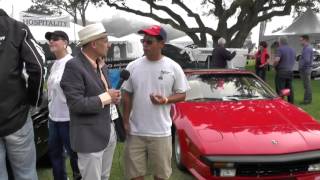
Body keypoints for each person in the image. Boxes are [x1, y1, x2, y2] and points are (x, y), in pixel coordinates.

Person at [122, 25, 190, 180]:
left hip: (161, 132)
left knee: (161, 176)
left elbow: (182, 94)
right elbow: (127, 96)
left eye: (149, 41)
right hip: (135, 132)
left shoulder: (173, 67)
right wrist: (126, 121)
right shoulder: (132, 66)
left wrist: (166, 100)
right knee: (135, 176)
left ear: (161, 44)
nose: (145, 44)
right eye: (143, 41)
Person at [60, 23, 120, 180]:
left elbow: (103, 95)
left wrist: (113, 98)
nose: (109, 44)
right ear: (94, 44)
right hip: (89, 137)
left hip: (108, 131)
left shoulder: (101, 64)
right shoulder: (73, 66)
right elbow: (76, 104)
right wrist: (107, 97)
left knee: (104, 176)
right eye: (105, 40)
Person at [0, 9, 44, 180]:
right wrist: (34, 99)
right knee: (26, 174)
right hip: (17, 116)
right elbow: (38, 66)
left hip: (16, 116)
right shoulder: (17, 28)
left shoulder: (18, 29)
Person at [45, 30, 81, 180]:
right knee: (55, 156)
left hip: (69, 119)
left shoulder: (73, 63)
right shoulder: (54, 65)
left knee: (75, 157)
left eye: (55, 39)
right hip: (54, 120)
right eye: (50, 40)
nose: (51, 42)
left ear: (65, 43)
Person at [274, 36, 296, 104]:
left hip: (282, 71)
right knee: (289, 89)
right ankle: (291, 103)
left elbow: (277, 59)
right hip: (290, 71)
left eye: (278, 41)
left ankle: (281, 103)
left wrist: (274, 65)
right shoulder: (292, 49)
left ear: (280, 42)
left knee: (280, 89)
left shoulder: (280, 49)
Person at [299, 35, 313, 104]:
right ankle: (307, 99)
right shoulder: (306, 48)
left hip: (305, 69)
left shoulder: (307, 48)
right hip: (306, 69)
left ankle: (307, 100)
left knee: (307, 86)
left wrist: (301, 65)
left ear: (305, 40)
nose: (300, 42)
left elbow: (306, 60)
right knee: (307, 85)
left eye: (301, 40)